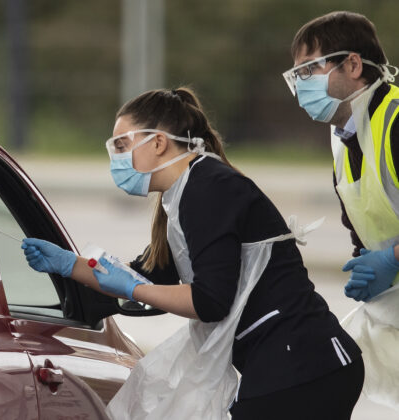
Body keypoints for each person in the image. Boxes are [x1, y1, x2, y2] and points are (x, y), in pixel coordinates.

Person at [22, 88, 364, 419]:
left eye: (122, 145)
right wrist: (69, 265)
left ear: (157, 142)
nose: (116, 159)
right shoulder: (186, 192)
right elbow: (152, 274)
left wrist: (132, 290)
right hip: (288, 366)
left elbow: (209, 301)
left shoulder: (208, 189)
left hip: (304, 366)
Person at [285, 11, 399, 410]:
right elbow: (363, 225)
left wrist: (391, 260)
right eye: (295, 75)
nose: (301, 86)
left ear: (352, 64)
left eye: (310, 70)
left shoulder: (395, 120)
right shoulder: (345, 138)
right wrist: (366, 262)